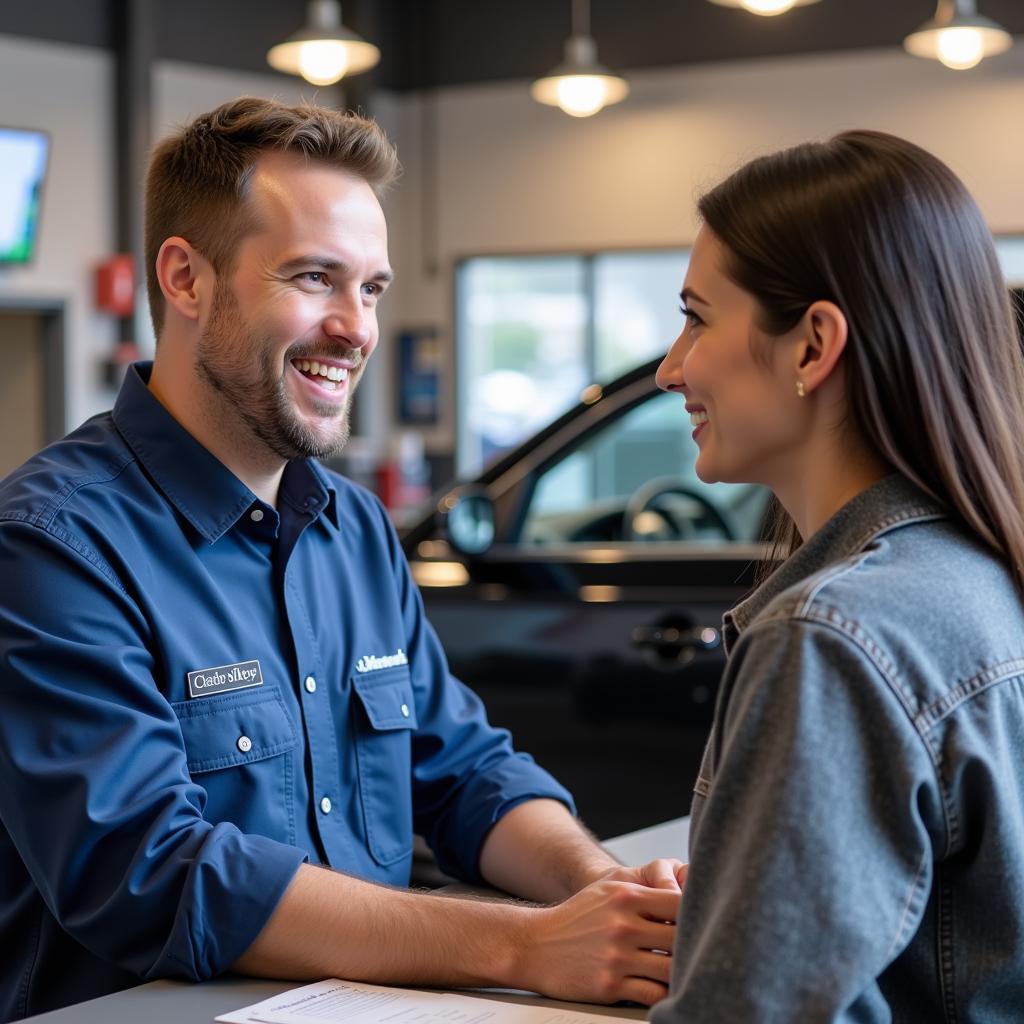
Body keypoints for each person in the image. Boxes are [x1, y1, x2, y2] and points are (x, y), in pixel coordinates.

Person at [0, 97, 684, 1023]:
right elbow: (149, 869)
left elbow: (465, 772)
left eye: (371, 288)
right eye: (315, 277)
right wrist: (524, 944)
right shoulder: (55, 544)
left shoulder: (354, 530)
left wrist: (606, 896)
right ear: (185, 278)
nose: (357, 328)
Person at [647, 129, 1024, 1022]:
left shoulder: (831, 638)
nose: (671, 368)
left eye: (697, 316)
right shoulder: (985, 576)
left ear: (813, 345)